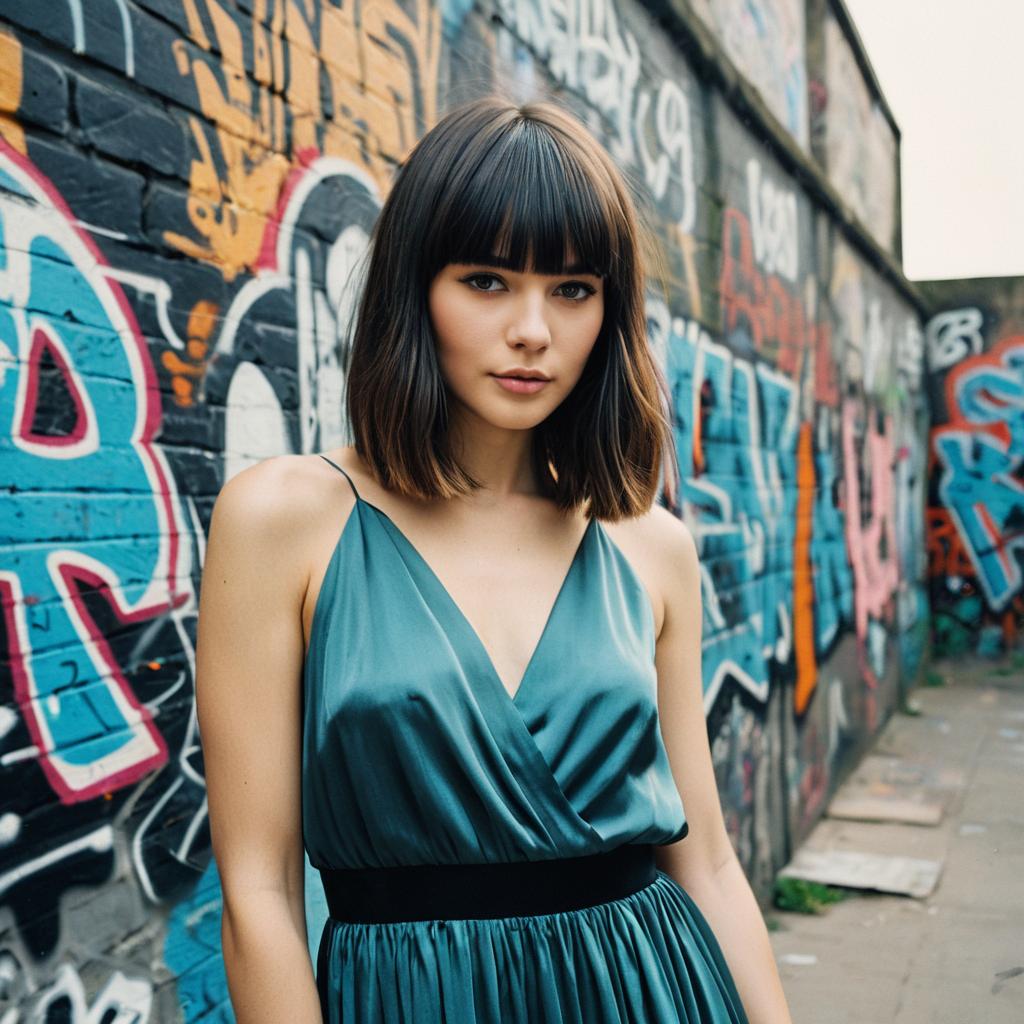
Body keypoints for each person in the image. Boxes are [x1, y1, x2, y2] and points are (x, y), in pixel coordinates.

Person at [196, 94, 793, 1023]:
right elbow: (258, 892)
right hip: (413, 1000)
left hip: (649, 991)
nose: (533, 330)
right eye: (486, 280)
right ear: (415, 289)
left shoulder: (649, 545)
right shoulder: (284, 521)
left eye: (573, 289)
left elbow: (708, 863)